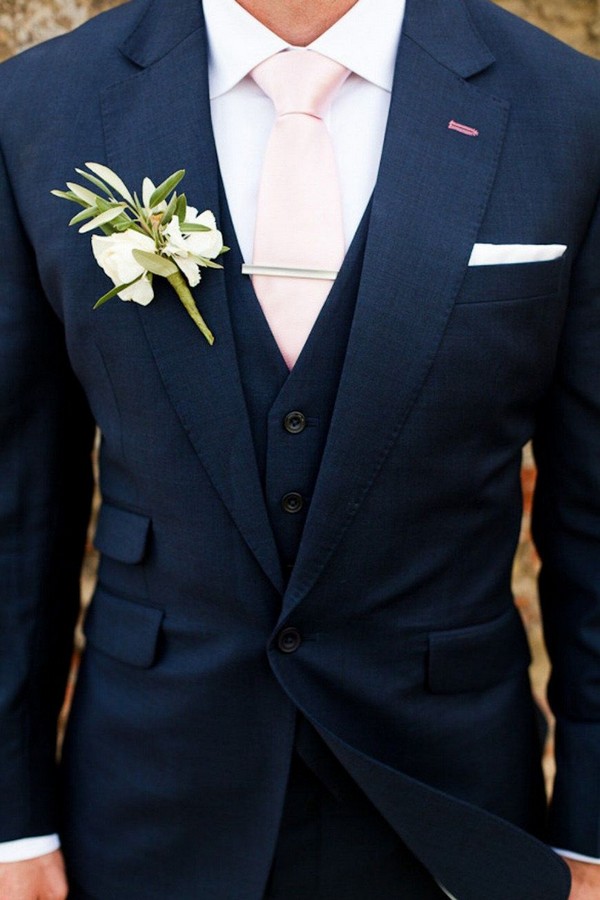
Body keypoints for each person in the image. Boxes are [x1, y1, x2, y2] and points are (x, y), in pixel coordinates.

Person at [1, 0, 600, 896]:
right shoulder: (41, 103)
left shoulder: (569, 108)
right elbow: (15, 505)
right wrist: (13, 827)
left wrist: (592, 836)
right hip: (144, 803)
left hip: (451, 804)